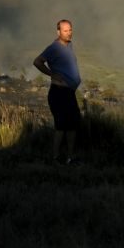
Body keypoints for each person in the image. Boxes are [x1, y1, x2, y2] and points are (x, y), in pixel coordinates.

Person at [33, 19, 82, 164]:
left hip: (69, 93)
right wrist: (51, 74)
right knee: (61, 127)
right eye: (65, 30)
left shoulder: (69, 45)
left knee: (72, 126)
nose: (69, 33)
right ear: (58, 32)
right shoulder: (53, 48)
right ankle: (55, 158)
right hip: (59, 92)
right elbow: (37, 62)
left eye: (70, 30)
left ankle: (70, 158)